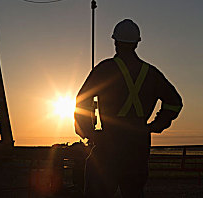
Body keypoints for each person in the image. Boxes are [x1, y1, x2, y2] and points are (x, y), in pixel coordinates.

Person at [74, 19, 183, 198]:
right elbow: (175, 102)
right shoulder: (151, 73)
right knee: (133, 192)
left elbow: (82, 101)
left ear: (116, 42)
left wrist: (89, 131)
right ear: (136, 43)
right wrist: (155, 125)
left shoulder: (105, 69)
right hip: (138, 146)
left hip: (108, 144)